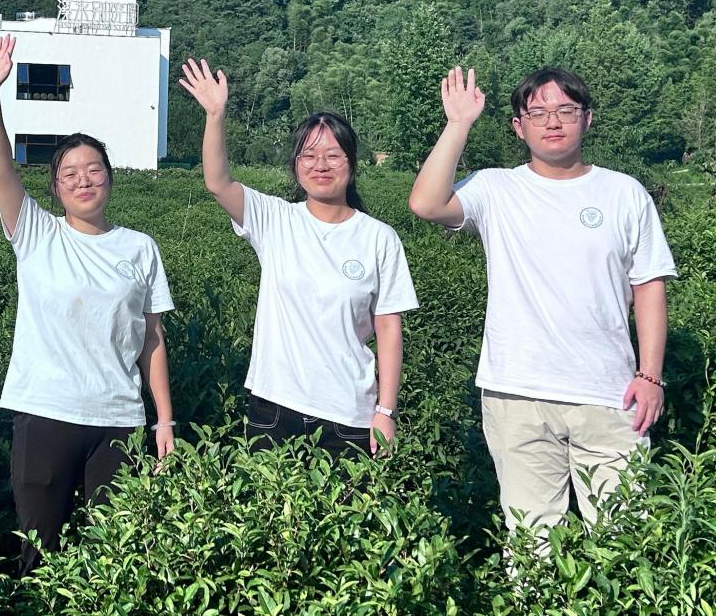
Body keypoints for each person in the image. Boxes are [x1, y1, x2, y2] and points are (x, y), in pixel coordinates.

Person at [408, 66, 675, 534]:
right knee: (532, 538)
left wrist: (650, 375)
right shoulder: (496, 187)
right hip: (517, 394)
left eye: (565, 110)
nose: (552, 121)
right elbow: (426, 203)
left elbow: (649, 285)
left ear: (587, 119)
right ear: (519, 126)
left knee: (624, 536)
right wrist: (459, 124)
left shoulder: (624, 193)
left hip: (609, 394)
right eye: (538, 113)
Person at [0, 34, 175, 575]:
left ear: (110, 177)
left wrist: (164, 420)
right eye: (69, 174)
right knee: (39, 554)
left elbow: (152, 340)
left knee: (114, 559)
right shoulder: (36, 233)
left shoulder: (139, 247)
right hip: (46, 414)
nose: (83, 180)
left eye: (93, 170)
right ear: (55, 187)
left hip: (119, 419)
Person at [180, 58, 417, 456]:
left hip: (349, 413)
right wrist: (215, 115)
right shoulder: (275, 219)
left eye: (333, 156)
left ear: (352, 164)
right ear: (295, 165)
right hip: (274, 406)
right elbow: (218, 183)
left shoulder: (379, 238)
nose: (320, 165)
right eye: (309, 156)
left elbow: (389, 327)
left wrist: (386, 411)